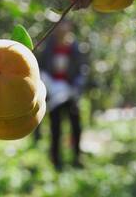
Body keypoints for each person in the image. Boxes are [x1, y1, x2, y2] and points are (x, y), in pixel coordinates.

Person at [38, 20, 87, 170]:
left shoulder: (75, 47)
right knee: (55, 127)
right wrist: (49, 85)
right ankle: (56, 160)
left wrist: (76, 87)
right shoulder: (48, 47)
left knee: (76, 126)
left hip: (71, 94)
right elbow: (42, 67)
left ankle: (77, 157)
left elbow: (82, 69)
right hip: (54, 95)